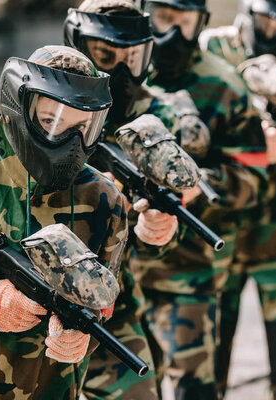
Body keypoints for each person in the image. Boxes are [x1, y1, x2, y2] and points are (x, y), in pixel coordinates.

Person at [0, 45, 161, 399]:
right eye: (51, 121)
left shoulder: (104, 199)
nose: (69, 141)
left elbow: (104, 294)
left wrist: (84, 329)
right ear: (19, 111)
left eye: (82, 127)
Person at [131, 0, 270, 398]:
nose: (172, 32)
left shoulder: (223, 84)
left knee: (195, 385)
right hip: (122, 268)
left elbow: (254, 174)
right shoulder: (122, 73)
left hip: (190, 269)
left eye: (184, 21)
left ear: (201, 24)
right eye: (163, 18)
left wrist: (197, 185)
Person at [62, 1, 188, 399]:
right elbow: (1, 192)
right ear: (78, 43)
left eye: (132, 57)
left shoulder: (159, 115)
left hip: (113, 298)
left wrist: (161, 231)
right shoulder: (40, 102)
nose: (121, 71)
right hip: (33, 290)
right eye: (106, 55)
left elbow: (176, 215)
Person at [199, 1, 276, 398]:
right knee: (208, 352)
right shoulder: (213, 49)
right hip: (219, 224)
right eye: (268, 19)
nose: (275, 31)